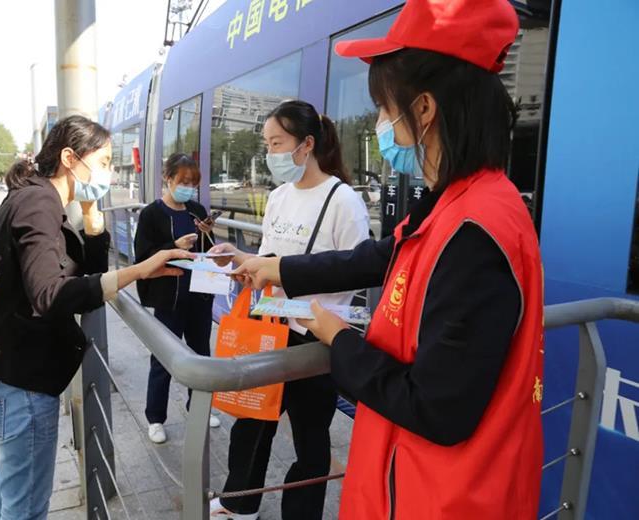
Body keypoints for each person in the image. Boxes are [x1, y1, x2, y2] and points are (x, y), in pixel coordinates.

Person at [232, 1, 544, 518]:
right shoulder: (458, 199)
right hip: (413, 484)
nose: (378, 124)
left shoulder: (477, 230)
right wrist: (278, 268)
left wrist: (337, 338)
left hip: (443, 498)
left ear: (423, 109)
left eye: (382, 107)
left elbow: (434, 407)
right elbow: (380, 255)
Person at [0, 115, 191, 520]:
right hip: (20, 385)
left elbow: (82, 276)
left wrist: (93, 220)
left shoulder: (38, 198)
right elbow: (49, 294)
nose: (110, 171)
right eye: (105, 161)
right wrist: (138, 270)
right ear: (71, 158)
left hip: (4, 380)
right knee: (25, 510)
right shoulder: (38, 203)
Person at [208, 100, 370, 519]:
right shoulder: (279, 197)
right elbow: (269, 258)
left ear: (306, 145)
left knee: (310, 440)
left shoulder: (342, 200)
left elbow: (353, 274)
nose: (270, 153)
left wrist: (297, 293)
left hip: (313, 337)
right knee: (251, 422)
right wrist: (240, 261)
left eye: (277, 142)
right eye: (267, 144)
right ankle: (239, 504)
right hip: (268, 325)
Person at [134, 153, 222, 444]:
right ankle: (155, 418)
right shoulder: (151, 214)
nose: (188, 188)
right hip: (168, 299)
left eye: (193, 183)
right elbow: (144, 257)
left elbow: (209, 251)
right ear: (168, 178)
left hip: (199, 295)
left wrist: (208, 235)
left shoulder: (196, 209)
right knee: (164, 359)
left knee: (201, 356)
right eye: (183, 182)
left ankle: (199, 408)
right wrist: (174, 245)